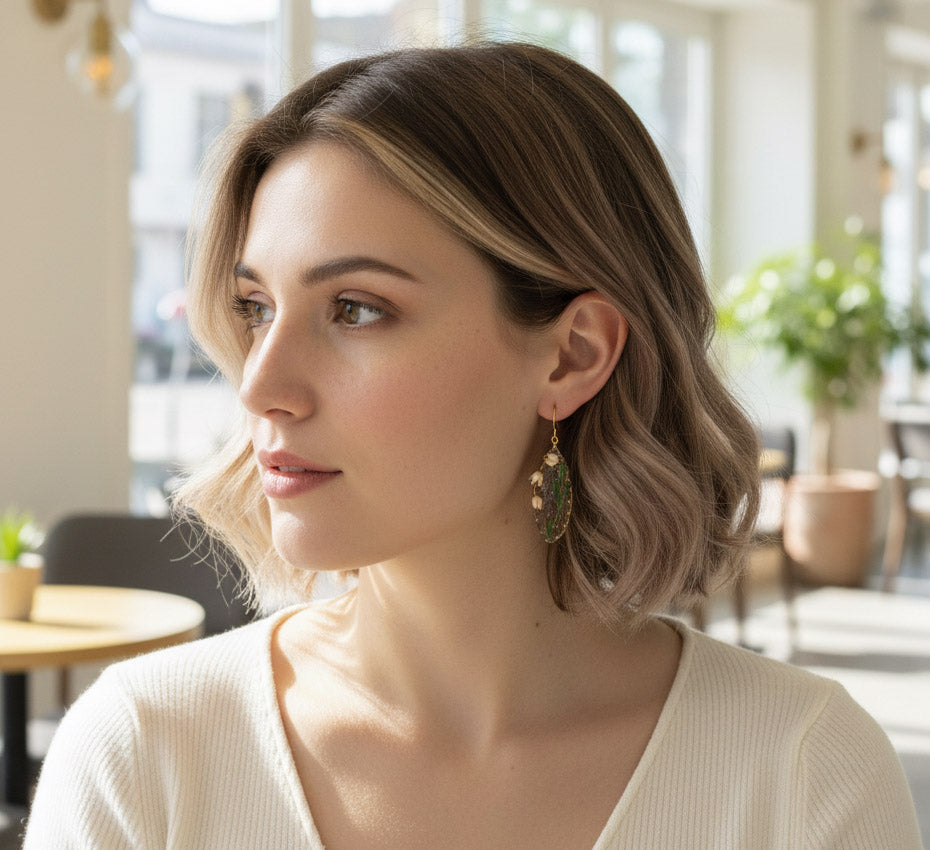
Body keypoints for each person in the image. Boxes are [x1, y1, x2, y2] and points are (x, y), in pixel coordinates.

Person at [25, 42, 920, 849]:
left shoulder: (801, 775)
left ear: (573, 355)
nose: (260, 384)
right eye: (258, 308)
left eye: (356, 310)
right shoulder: (144, 754)